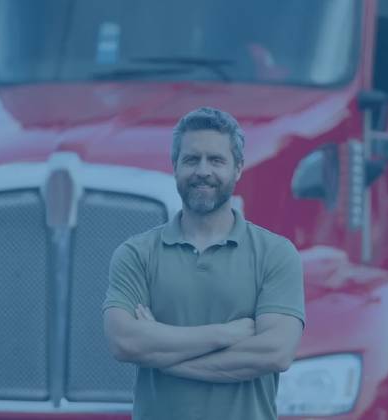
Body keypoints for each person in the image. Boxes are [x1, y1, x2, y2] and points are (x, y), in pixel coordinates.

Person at [102, 107, 305, 420]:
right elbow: (124, 341)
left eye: (216, 160)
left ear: (238, 169)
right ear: (175, 167)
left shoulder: (275, 253)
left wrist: (161, 351)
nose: (202, 170)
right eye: (191, 159)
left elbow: (275, 353)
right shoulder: (136, 254)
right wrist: (224, 334)